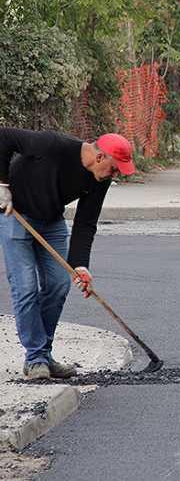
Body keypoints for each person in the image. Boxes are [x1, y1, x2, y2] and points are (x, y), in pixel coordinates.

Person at [0, 130, 135, 380]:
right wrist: (2, 185)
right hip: (15, 215)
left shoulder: (99, 179)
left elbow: (85, 223)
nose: (115, 175)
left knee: (59, 285)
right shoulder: (52, 145)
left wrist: (81, 266)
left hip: (51, 221)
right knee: (26, 287)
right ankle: (35, 358)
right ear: (100, 156)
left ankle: (44, 355)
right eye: (115, 169)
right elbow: (3, 138)